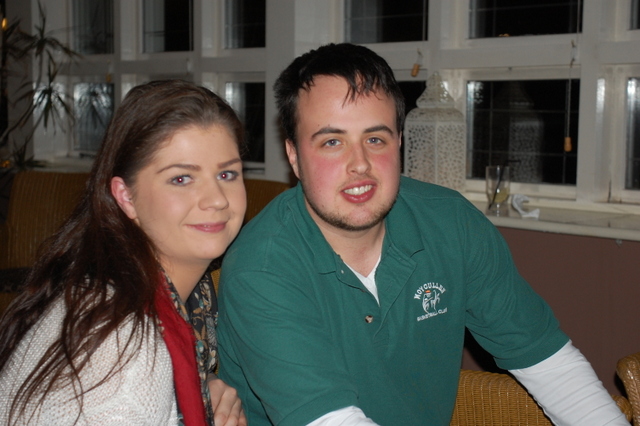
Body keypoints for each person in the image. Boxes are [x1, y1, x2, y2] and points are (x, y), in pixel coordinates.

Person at [216, 43, 628, 425]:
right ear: (293, 155)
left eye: (375, 138)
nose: (360, 164)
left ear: (398, 143)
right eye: (332, 142)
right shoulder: (262, 267)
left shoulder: (451, 223)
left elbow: (551, 366)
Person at [0, 79, 248, 426]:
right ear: (126, 197)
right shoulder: (122, 347)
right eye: (181, 179)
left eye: (227, 173)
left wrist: (198, 387)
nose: (217, 199)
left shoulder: (167, 296)